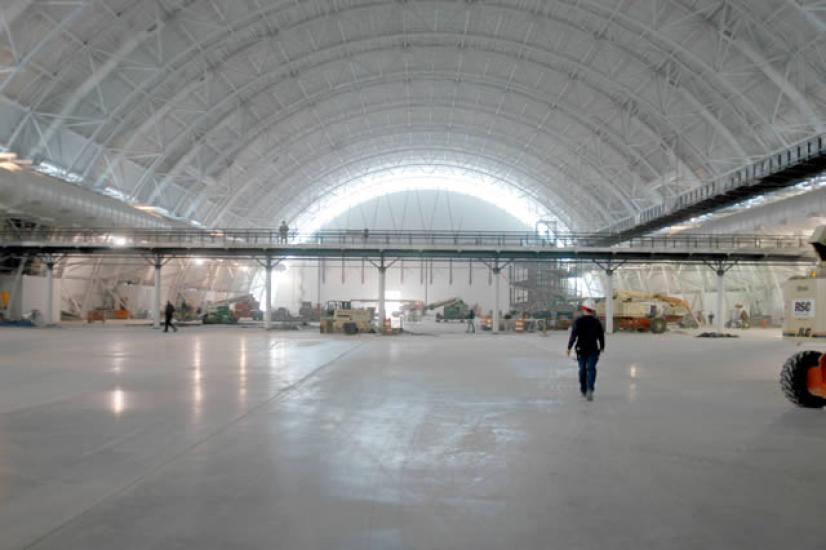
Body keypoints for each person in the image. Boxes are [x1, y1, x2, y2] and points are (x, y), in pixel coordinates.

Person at [566, 301, 604, 401]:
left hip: (581, 349)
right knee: (591, 369)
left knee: (582, 369)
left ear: (584, 309)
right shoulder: (596, 322)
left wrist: (569, 347)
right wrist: (602, 347)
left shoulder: (579, 321)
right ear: (592, 310)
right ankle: (590, 389)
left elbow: (574, 335)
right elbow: (601, 336)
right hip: (593, 349)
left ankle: (583, 389)